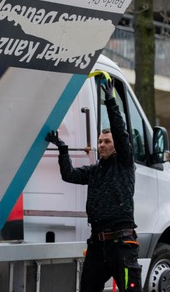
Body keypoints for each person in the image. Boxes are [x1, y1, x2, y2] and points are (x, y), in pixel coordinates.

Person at [46, 76, 142, 292]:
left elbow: (120, 132)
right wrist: (62, 149)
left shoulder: (125, 163)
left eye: (107, 142)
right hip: (98, 244)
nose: (102, 145)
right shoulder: (95, 171)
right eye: (100, 141)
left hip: (122, 244)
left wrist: (110, 101)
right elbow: (69, 175)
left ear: (117, 146)